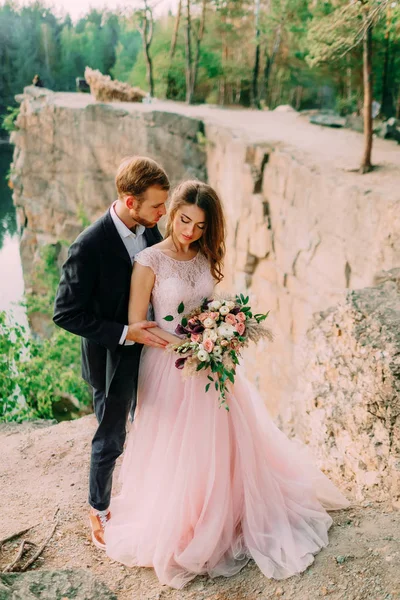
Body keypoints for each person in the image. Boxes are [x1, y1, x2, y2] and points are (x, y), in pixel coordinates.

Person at [104, 180, 349, 589]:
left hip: (211, 362)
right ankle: (190, 521)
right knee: (182, 447)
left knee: (222, 440)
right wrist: (190, 347)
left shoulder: (203, 256)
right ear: (173, 212)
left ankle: (228, 511)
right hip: (169, 364)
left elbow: (206, 306)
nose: (190, 232)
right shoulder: (148, 261)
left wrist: (221, 328)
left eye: (200, 226)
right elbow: (138, 326)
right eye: (184, 221)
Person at [53, 156, 170, 549]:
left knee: (158, 428)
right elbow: (65, 313)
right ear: (129, 200)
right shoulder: (88, 245)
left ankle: (152, 498)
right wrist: (123, 333)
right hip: (111, 359)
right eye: (157, 205)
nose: (164, 212)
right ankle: (98, 509)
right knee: (111, 438)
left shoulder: (151, 230)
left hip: (156, 353)